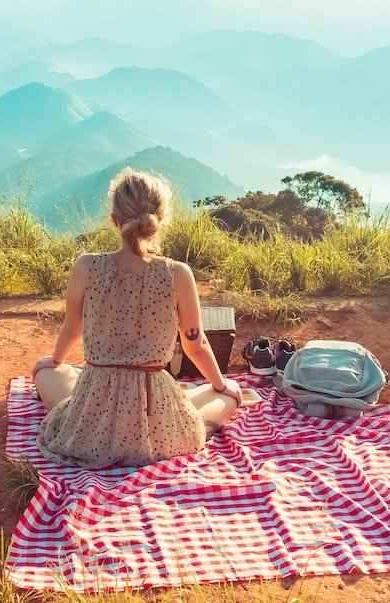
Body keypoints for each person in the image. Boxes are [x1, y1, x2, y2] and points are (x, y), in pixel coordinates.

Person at [31, 168, 243, 468]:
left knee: (46, 372)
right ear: (160, 219)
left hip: (94, 414)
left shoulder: (86, 266)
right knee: (226, 394)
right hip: (156, 414)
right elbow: (196, 345)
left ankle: (73, 388)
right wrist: (222, 385)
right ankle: (204, 407)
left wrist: (54, 361)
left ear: (114, 219)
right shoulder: (178, 273)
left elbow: (72, 328)